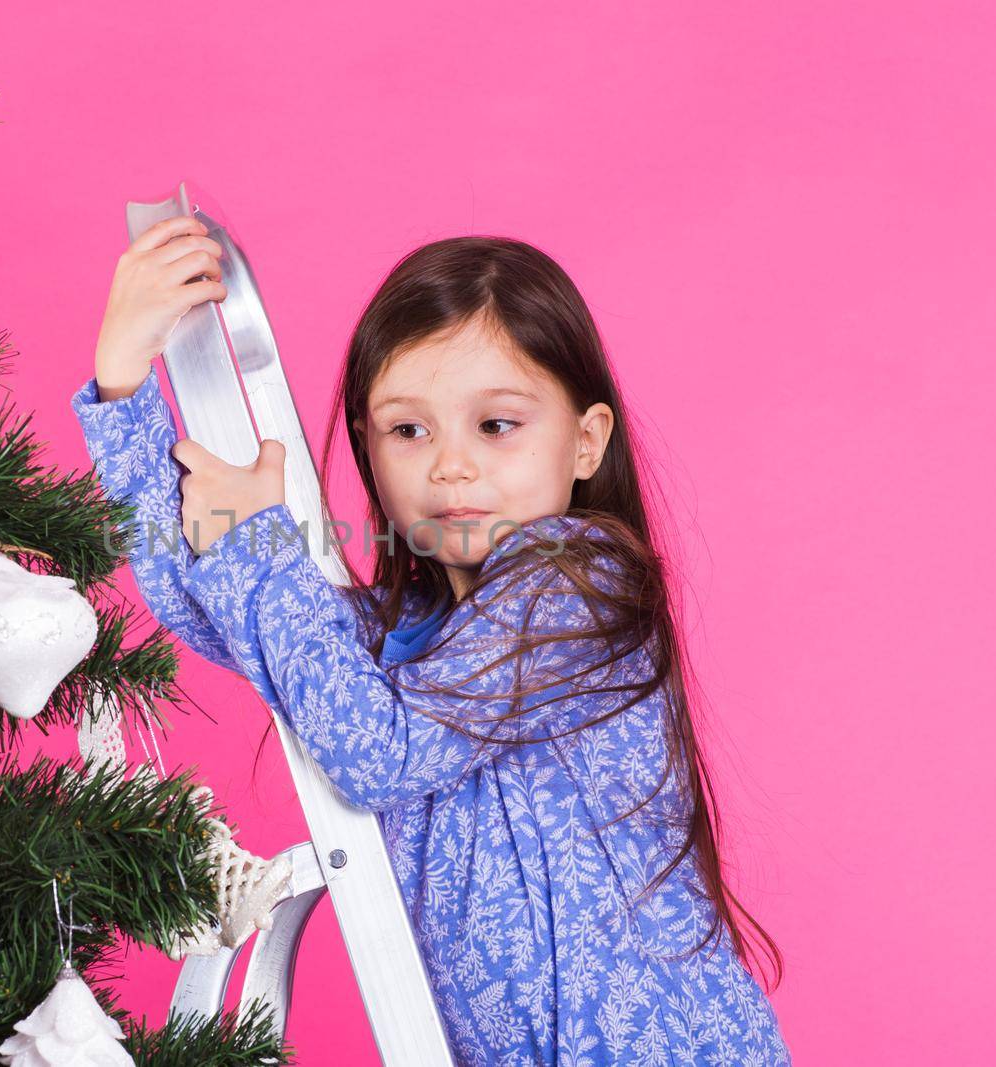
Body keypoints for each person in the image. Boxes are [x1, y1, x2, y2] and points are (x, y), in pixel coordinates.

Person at [70, 214, 793, 1065]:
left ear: (586, 440)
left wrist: (259, 543)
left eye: (497, 425)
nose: (451, 466)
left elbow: (377, 751)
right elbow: (217, 607)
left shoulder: (580, 582)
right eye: (409, 430)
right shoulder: (403, 640)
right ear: (369, 448)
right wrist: (122, 388)